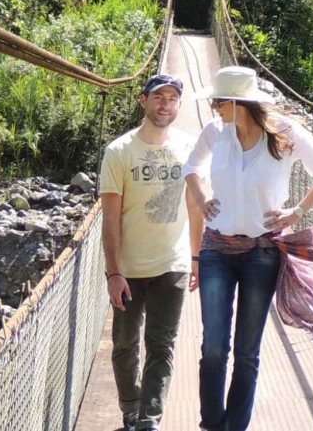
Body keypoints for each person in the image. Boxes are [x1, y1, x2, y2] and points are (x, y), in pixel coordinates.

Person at [182, 66, 313, 431]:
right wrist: (201, 197)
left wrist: (296, 212)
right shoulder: (215, 133)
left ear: (237, 102)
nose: (214, 108)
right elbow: (190, 167)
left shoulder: (285, 134)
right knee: (214, 348)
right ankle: (212, 424)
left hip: (263, 253)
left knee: (246, 352)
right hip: (216, 250)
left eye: (218, 102)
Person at [98, 73, 203, 431]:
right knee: (125, 345)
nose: (165, 104)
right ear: (143, 101)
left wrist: (196, 257)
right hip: (127, 267)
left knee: (161, 346)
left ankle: (148, 420)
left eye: (173, 98)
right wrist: (113, 272)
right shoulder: (119, 151)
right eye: (159, 97)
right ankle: (130, 406)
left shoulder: (190, 148)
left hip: (170, 265)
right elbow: (110, 217)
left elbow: (194, 207)